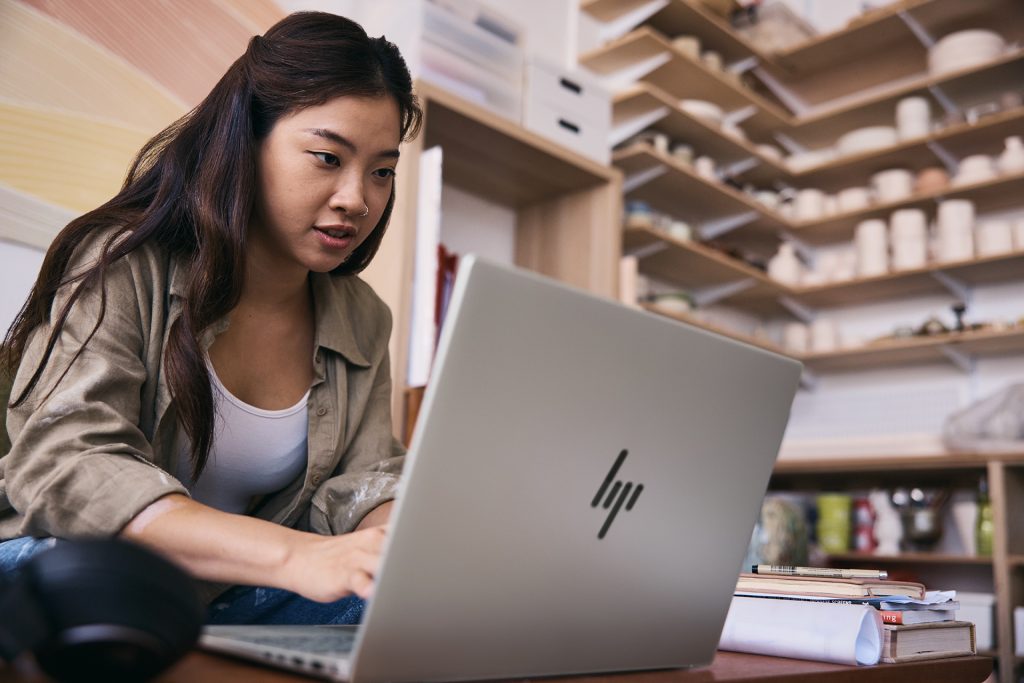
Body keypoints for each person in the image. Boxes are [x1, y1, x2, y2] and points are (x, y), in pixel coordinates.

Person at [0, 11, 422, 625]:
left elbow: (362, 484)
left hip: (228, 596)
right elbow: (70, 464)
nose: (358, 198)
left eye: (382, 171)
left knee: (403, 612)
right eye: (329, 158)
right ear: (245, 142)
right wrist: (293, 557)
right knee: (107, 592)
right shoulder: (124, 262)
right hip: (81, 565)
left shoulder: (362, 317)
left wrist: (388, 553)